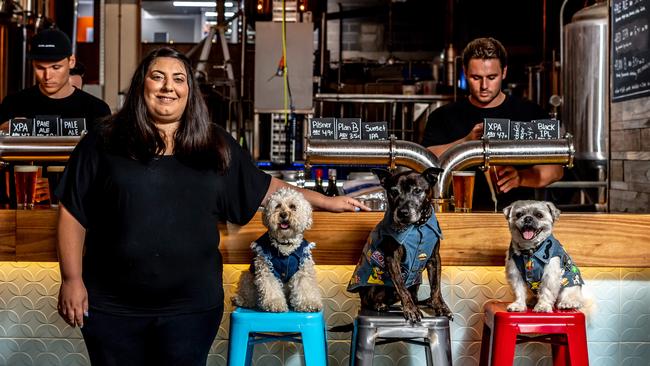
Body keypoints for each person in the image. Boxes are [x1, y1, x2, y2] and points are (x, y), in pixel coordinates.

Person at [55, 47, 368, 366]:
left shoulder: (213, 143)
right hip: (112, 308)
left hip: (191, 309)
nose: (168, 87)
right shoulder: (104, 139)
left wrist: (327, 201)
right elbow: (72, 210)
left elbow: (264, 187)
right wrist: (71, 279)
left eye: (179, 79)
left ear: (189, 91)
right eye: (158, 77)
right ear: (141, 85)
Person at [421, 37, 563, 211]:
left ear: (504, 72)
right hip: (458, 217)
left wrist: (520, 177)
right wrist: (466, 143)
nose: (484, 86)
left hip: (518, 220)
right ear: (465, 72)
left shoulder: (530, 113)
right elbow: (424, 161)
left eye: (492, 77)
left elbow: (556, 169)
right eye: (476, 77)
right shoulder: (443, 116)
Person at [0, 28, 110, 130]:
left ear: (71, 62)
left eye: (55, 67)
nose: (47, 76)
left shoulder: (97, 111)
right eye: (40, 68)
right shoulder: (13, 105)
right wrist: (3, 131)